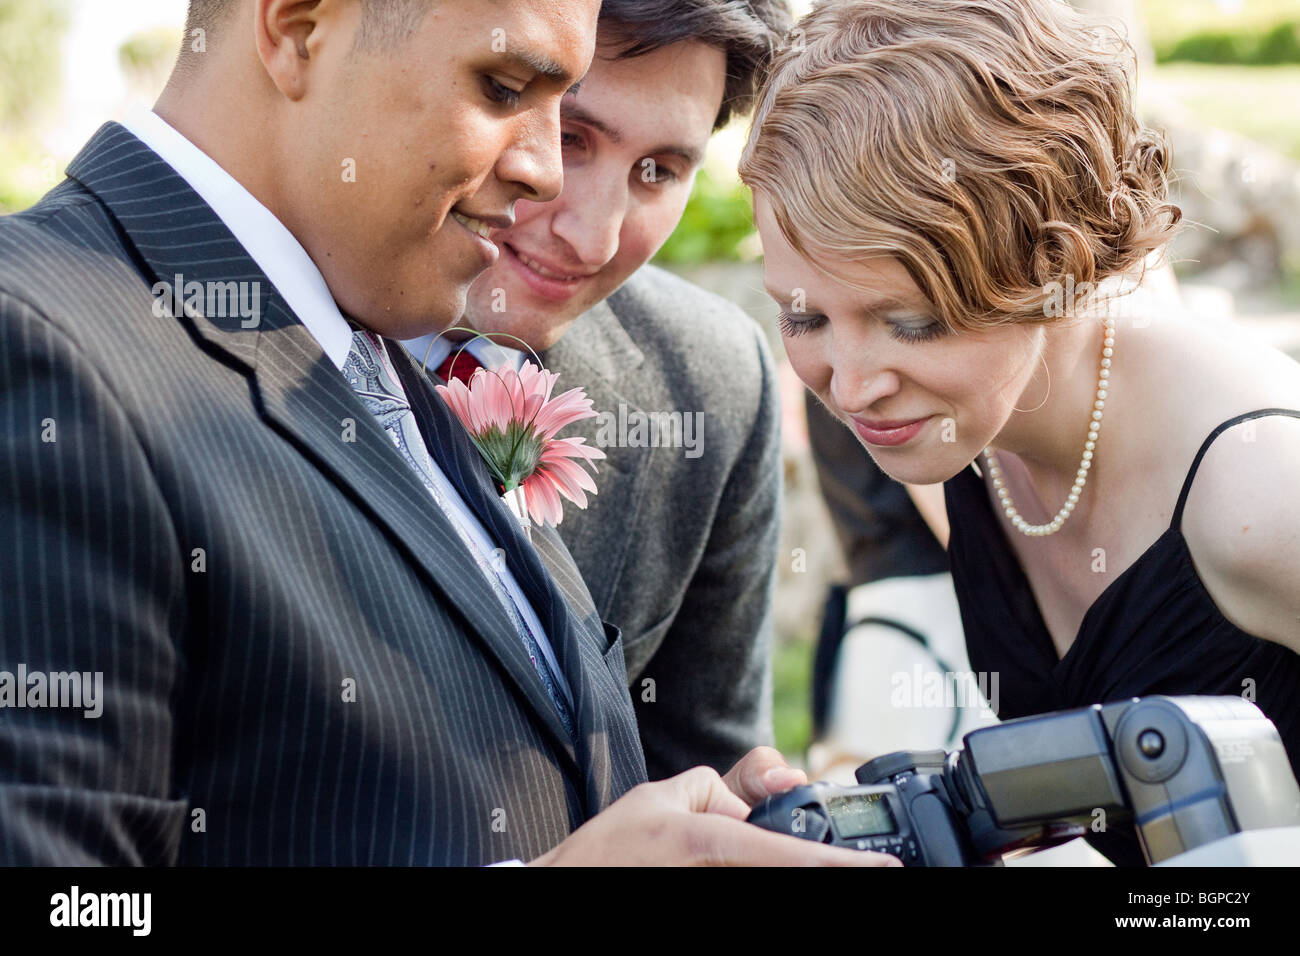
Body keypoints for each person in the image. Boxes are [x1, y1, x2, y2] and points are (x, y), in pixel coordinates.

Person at [0, 0, 899, 867]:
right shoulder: (38, 342)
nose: (552, 181)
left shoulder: (374, 325)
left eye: (659, 168)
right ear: (298, 26)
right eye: (505, 88)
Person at [740, 0, 1300, 864]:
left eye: (913, 322)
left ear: (1055, 265)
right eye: (804, 316)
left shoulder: (1259, 495)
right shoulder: (947, 425)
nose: (850, 389)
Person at [404, 0, 789, 779]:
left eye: (659, 171)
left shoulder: (710, 385)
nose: (595, 236)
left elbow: (700, 764)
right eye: (571, 137)